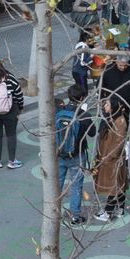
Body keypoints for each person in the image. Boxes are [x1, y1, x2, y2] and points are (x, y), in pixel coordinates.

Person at [56, 84, 97, 227]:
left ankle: (54, 213)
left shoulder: (60, 112)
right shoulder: (83, 115)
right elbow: (92, 133)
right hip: (77, 155)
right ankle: (75, 216)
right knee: (76, 185)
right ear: (82, 98)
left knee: (57, 184)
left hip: (60, 154)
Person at [92, 96, 130, 222]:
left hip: (112, 159)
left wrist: (108, 157)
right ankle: (120, 208)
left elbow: (119, 143)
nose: (104, 107)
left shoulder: (120, 121)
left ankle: (108, 212)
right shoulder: (112, 118)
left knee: (114, 185)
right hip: (108, 157)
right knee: (118, 184)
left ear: (114, 106)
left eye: (107, 105)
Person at [100, 51, 130, 119]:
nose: (123, 67)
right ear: (116, 62)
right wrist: (103, 100)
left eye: (125, 65)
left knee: (126, 121)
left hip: (128, 103)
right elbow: (100, 86)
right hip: (112, 104)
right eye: (121, 65)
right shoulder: (108, 70)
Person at [71, 30, 93, 95]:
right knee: (83, 91)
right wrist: (92, 56)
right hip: (80, 73)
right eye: (91, 38)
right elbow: (82, 63)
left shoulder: (79, 45)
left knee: (79, 90)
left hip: (76, 71)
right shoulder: (83, 47)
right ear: (86, 39)